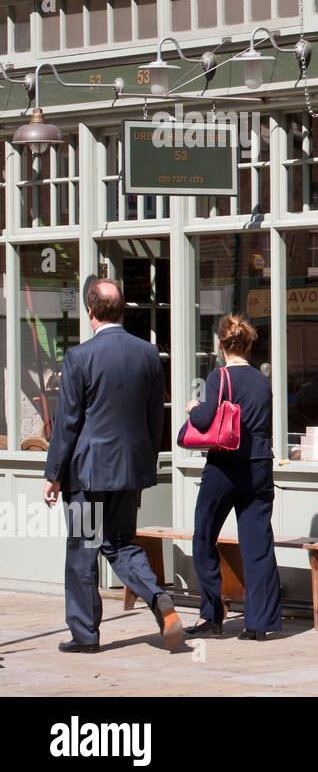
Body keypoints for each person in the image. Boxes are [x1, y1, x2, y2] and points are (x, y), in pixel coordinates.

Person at [42, 278, 182, 653]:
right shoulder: (149, 354)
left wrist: (53, 474)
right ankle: (157, 597)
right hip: (128, 471)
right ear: (122, 311)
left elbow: (68, 422)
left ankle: (85, 636)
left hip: (88, 475)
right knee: (121, 544)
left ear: (90, 313)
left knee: (83, 551)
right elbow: (156, 418)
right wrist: (146, 461)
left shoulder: (79, 357)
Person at [184, 314, 281, 640]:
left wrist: (192, 408)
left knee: (203, 537)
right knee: (258, 544)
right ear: (250, 344)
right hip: (259, 467)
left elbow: (206, 418)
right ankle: (259, 623)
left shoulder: (218, 377)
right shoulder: (261, 380)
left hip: (224, 467)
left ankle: (212, 616)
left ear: (220, 346)